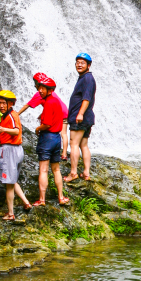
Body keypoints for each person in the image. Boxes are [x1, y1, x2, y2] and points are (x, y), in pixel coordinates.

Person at [31, 76, 70, 208]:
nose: (40, 90)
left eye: (43, 88)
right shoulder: (56, 102)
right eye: (39, 87)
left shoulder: (48, 103)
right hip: (57, 138)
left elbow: (47, 124)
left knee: (43, 170)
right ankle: (61, 197)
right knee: (56, 169)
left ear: (50, 90)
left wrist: (38, 128)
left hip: (47, 138)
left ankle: (42, 199)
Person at [0, 90, 31, 221]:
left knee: (8, 183)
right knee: (12, 179)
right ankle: (26, 202)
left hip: (10, 150)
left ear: (10, 104)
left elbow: (16, 131)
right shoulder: (6, 116)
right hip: (17, 150)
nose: (1, 106)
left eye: (4, 103)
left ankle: (11, 213)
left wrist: (2, 129)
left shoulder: (11, 115)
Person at [18, 72, 70, 161]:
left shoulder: (39, 94)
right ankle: (64, 153)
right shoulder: (51, 92)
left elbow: (27, 105)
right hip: (64, 111)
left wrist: (16, 114)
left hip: (57, 113)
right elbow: (49, 106)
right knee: (63, 133)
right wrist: (41, 115)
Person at [64, 52, 96, 183]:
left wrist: (80, 113)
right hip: (86, 117)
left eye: (83, 63)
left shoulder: (87, 78)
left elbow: (86, 98)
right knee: (84, 145)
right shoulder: (84, 78)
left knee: (74, 144)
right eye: (77, 62)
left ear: (89, 65)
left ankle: (73, 173)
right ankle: (86, 173)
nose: (79, 64)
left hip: (80, 117)